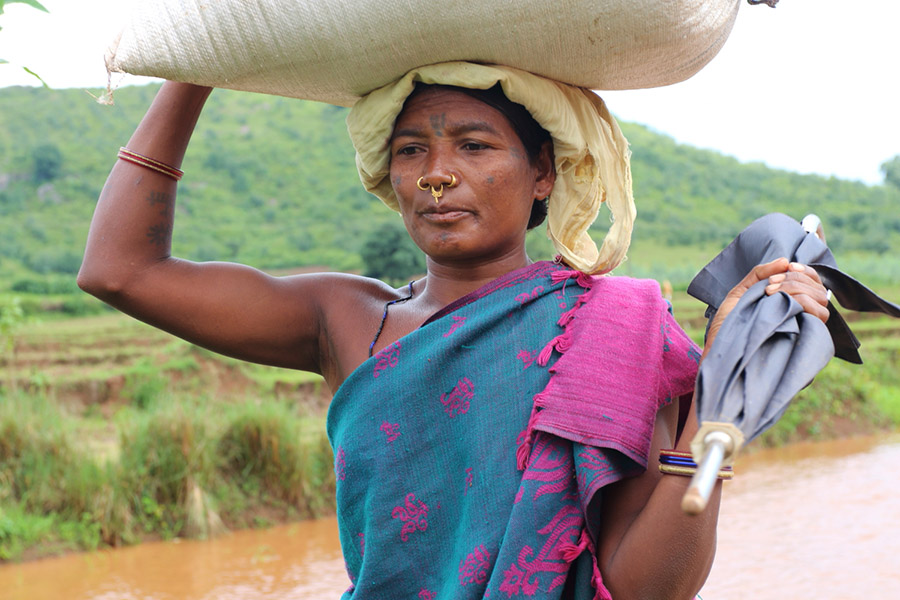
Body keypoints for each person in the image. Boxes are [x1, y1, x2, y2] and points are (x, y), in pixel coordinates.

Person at [78, 62, 830, 600]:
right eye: (412, 151)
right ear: (392, 179)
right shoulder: (346, 320)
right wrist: (197, 66)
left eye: (474, 146)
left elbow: (644, 589)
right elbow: (121, 271)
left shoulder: (615, 324)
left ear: (542, 175)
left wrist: (718, 406)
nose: (438, 173)